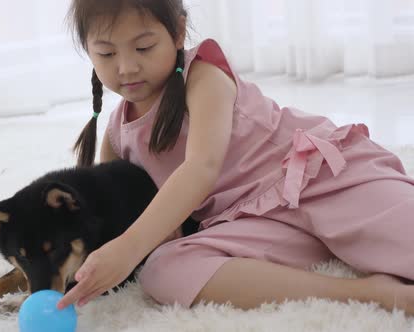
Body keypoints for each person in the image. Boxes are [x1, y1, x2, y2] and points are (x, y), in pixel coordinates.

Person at [56, 0, 414, 315]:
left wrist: (129, 248)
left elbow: (201, 168)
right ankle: (368, 294)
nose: (127, 67)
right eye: (106, 53)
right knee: (165, 269)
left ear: (178, 32)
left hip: (318, 179)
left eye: (144, 47)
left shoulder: (205, 75)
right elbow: (105, 208)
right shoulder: (118, 134)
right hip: (252, 223)